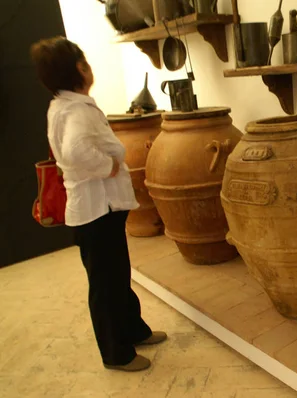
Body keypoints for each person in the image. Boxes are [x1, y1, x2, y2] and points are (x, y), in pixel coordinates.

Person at [30, 37, 166, 372]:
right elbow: (75, 151)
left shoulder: (65, 104)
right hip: (95, 211)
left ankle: (133, 330)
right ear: (79, 68)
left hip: (98, 210)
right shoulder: (75, 109)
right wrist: (110, 166)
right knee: (106, 284)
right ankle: (116, 353)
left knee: (117, 275)